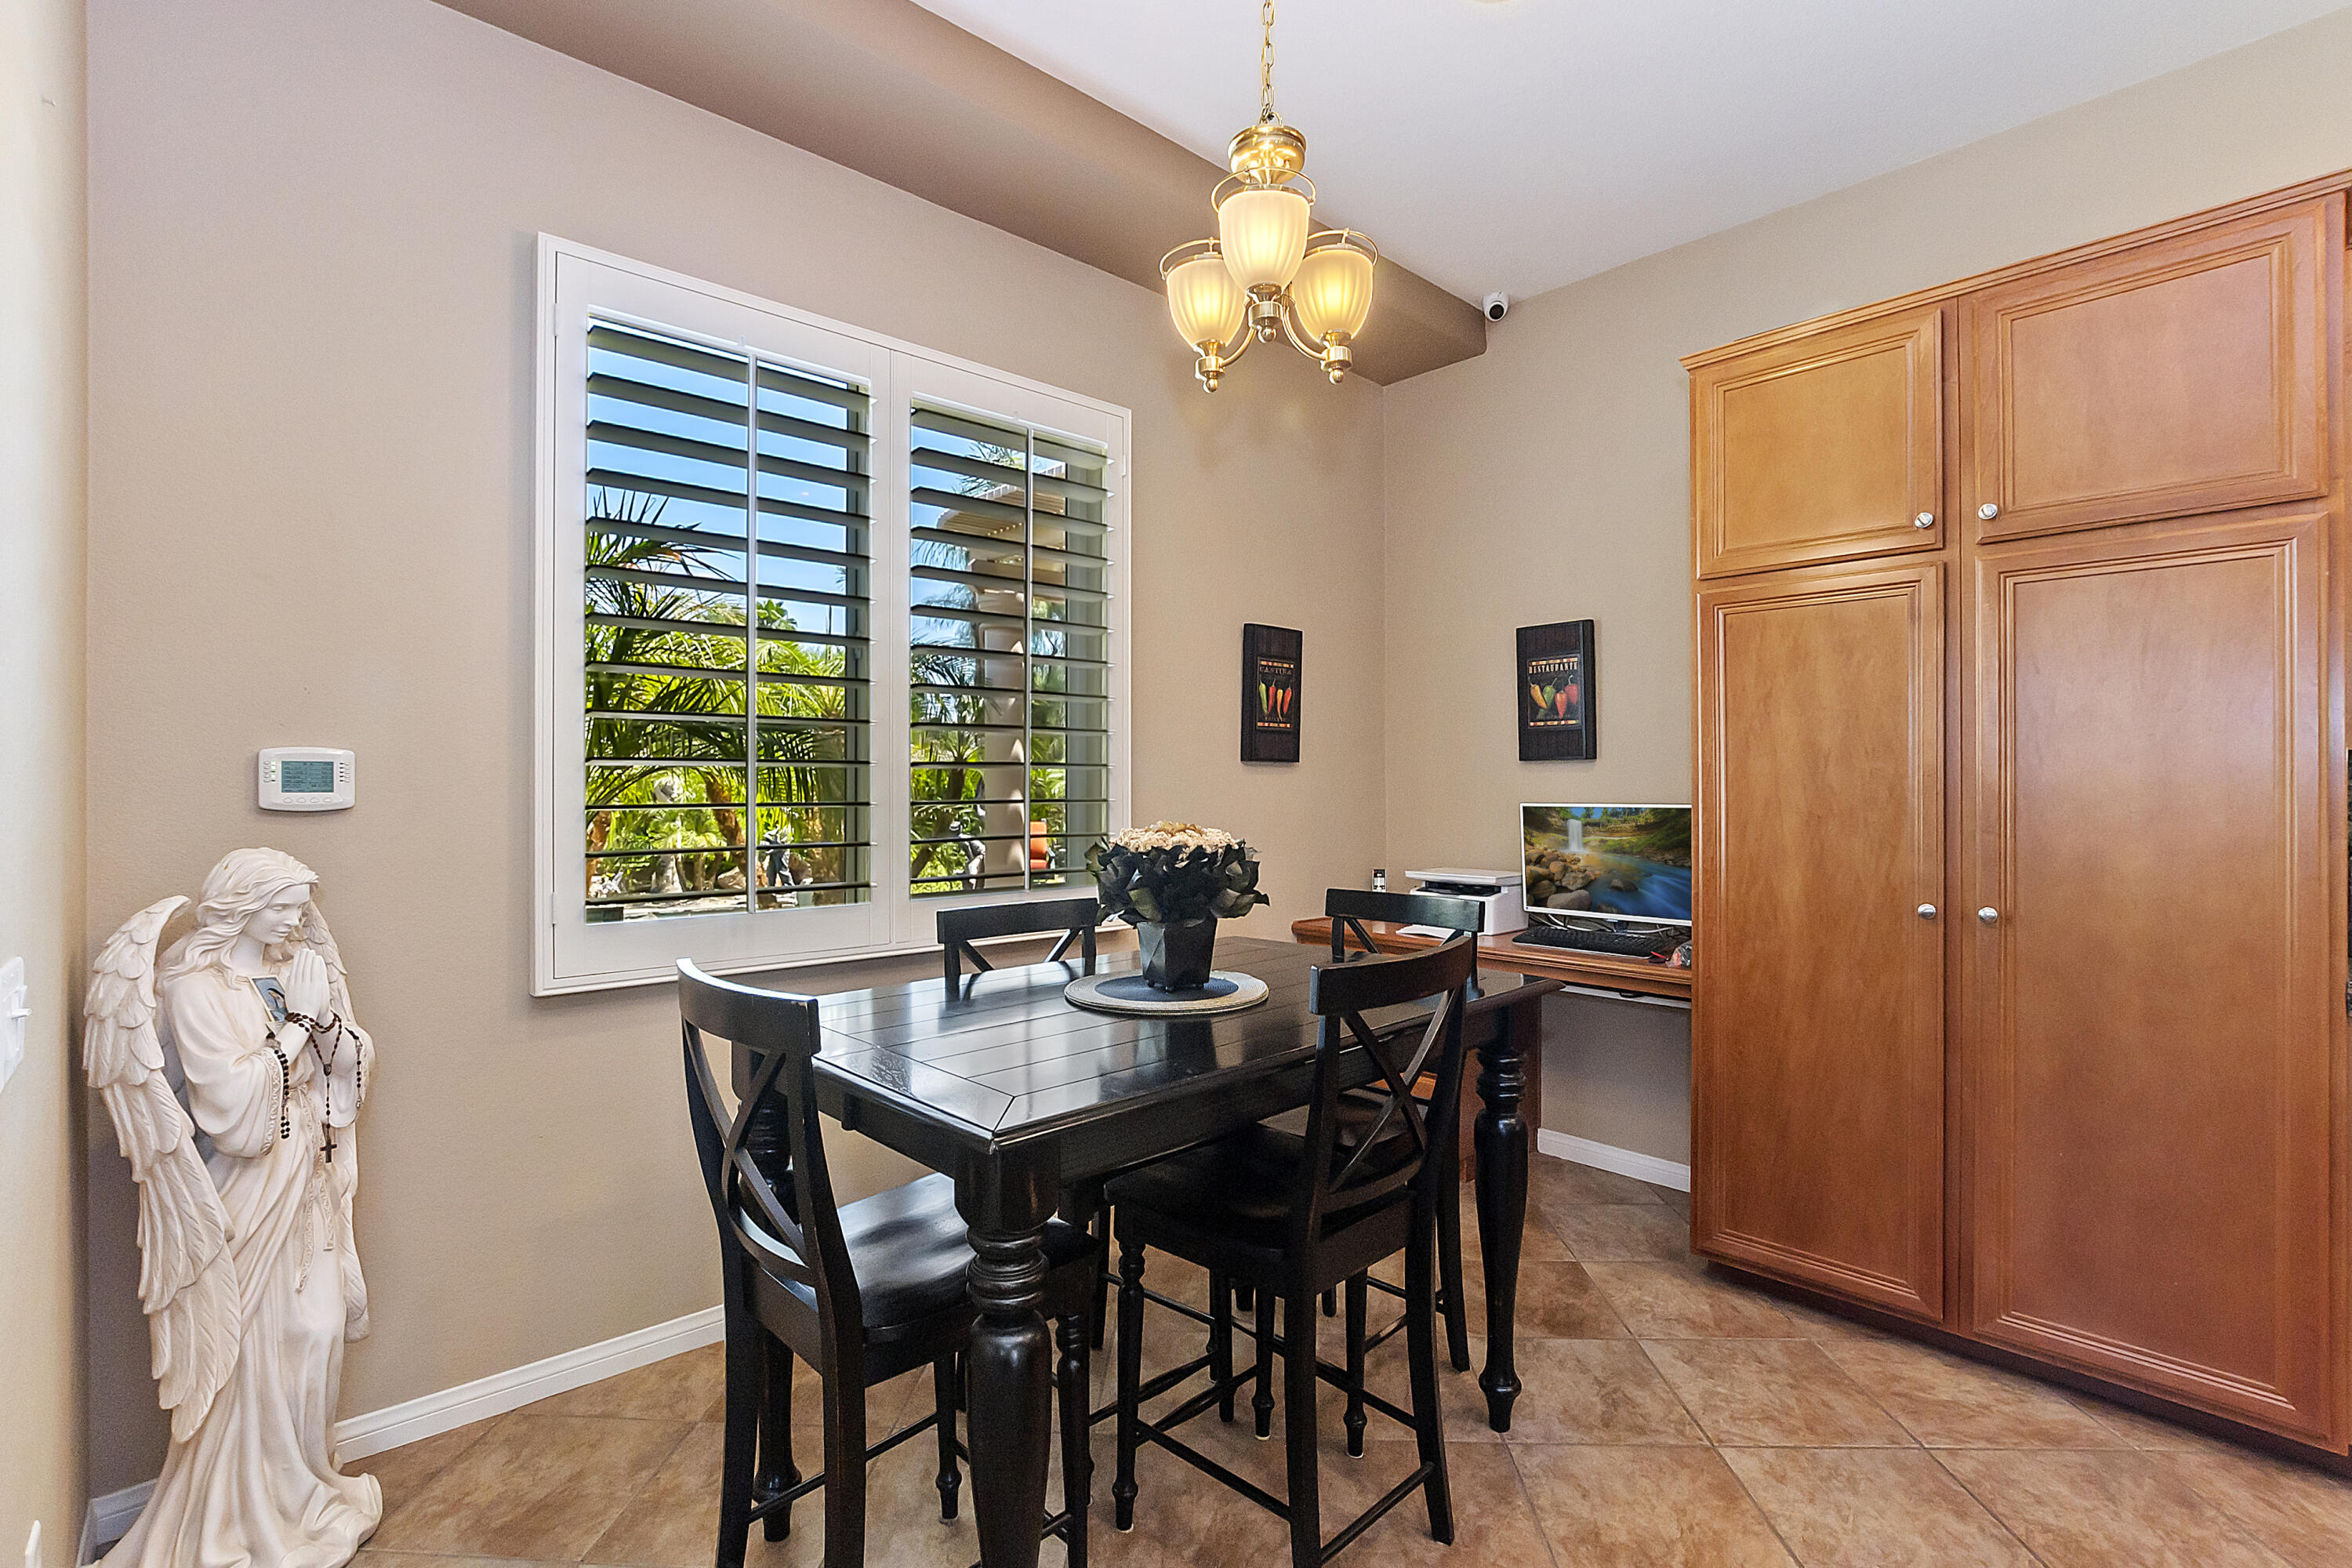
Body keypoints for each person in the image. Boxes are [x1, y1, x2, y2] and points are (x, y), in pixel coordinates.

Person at [98, 849, 379, 1568]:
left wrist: (322, 1026)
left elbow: (349, 1057)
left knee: (315, 1334)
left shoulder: (293, 966)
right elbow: (231, 1109)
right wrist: (297, 1030)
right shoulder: (192, 986)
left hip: (310, 1180)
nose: (299, 919)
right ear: (242, 905)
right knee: (254, 1350)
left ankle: (303, 1488)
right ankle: (242, 1508)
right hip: (247, 1186)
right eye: (284, 906)